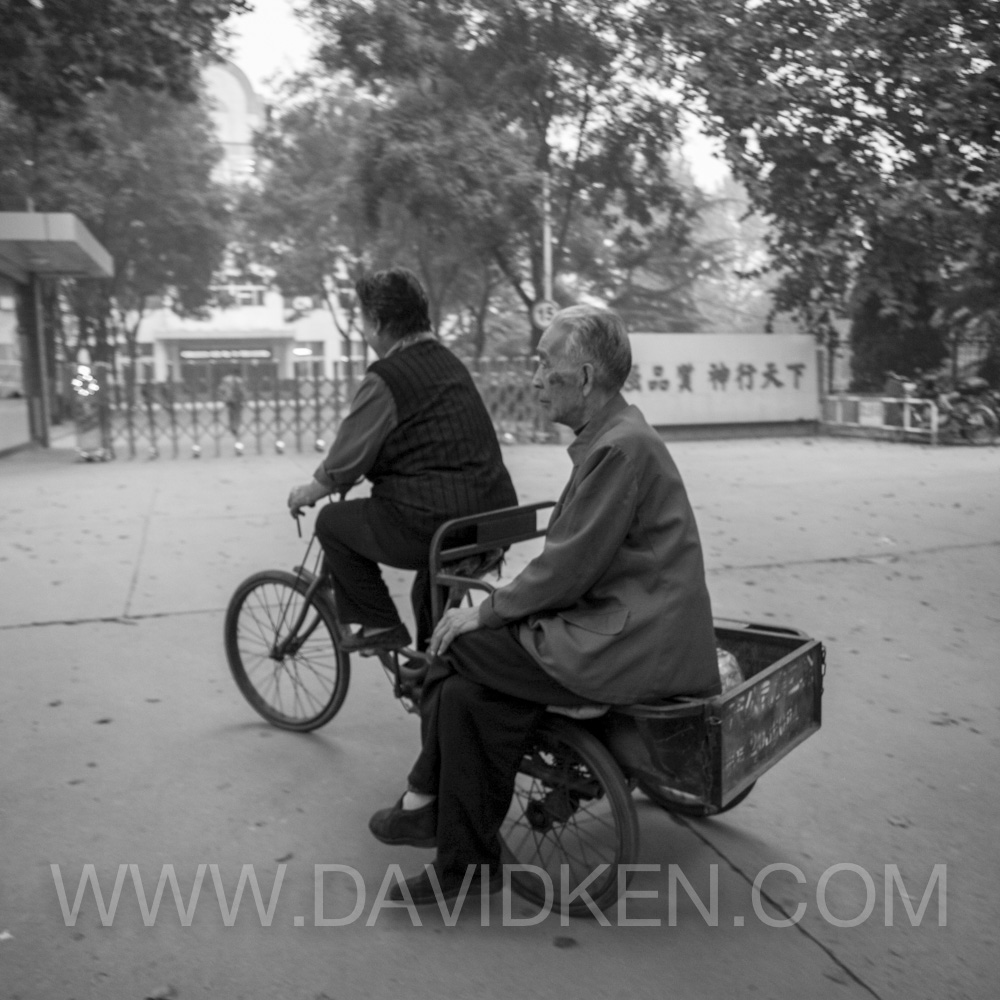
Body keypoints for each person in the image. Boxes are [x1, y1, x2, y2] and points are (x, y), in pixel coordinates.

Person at [368, 304, 721, 904]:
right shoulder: (615, 439)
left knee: (457, 644)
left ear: (583, 378)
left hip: (629, 641)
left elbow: (567, 566)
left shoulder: (620, 449)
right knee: (461, 692)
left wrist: (483, 610)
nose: (534, 378)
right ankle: (462, 859)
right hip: (621, 622)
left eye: (543, 364)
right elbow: (575, 562)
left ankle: (425, 800)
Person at [287, 267, 517, 653]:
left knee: (332, 522)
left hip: (437, 522)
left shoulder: (386, 377)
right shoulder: (449, 362)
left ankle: (379, 626)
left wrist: (307, 492)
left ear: (376, 322)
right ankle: (435, 669)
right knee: (429, 587)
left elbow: (343, 463)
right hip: (495, 516)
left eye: (363, 321)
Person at [218, 372, 246, 437]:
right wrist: (243, 398)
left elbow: (221, 389)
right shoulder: (239, 380)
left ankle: (232, 426)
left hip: (229, 398)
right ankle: (235, 427)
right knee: (237, 414)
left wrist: (222, 397)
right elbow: (242, 390)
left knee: (231, 413)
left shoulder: (226, 379)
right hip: (237, 399)